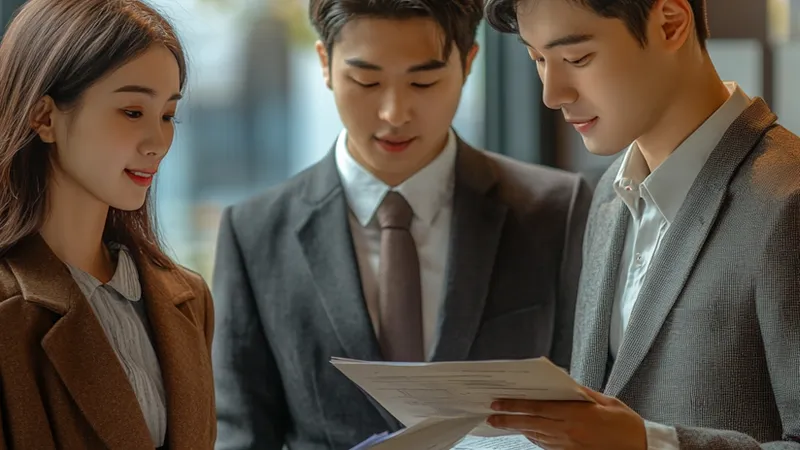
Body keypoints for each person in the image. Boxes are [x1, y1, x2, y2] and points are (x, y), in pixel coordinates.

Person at [211, 0, 593, 448]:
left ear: (469, 63)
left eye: (423, 81)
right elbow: (242, 433)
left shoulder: (557, 210)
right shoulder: (254, 232)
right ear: (325, 65)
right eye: (366, 80)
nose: (394, 113)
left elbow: (591, 403)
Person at [481, 0, 800, 448]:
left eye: (577, 58)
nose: (552, 94)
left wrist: (650, 443)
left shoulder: (788, 198)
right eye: (538, 60)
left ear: (670, 24)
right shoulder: (612, 193)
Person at [0, 0, 216, 448]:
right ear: (44, 118)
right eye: (133, 112)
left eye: (168, 115)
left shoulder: (188, 299)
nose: (159, 142)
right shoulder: (7, 314)